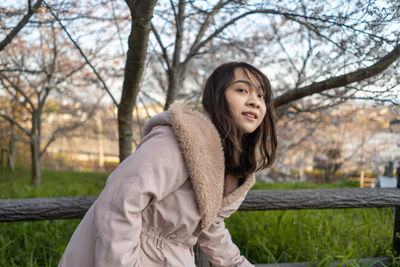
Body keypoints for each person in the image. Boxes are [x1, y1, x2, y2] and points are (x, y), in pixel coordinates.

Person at [58, 62, 277, 267]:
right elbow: (121, 201)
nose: (255, 101)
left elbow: (210, 227)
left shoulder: (230, 164)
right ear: (217, 96)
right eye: (241, 90)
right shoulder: (180, 140)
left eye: (261, 95)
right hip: (122, 255)